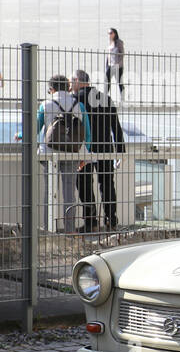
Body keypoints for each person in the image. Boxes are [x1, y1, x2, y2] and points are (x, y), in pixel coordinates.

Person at [72, 68, 125, 233]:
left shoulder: (76, 100)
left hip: (84, 149)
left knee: (84, 183)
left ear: (77, 81)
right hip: (105, 148)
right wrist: (120, 151)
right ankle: (111, 221)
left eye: (72, 82)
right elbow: (116, 127)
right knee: (107, 184)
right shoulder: (105, 98)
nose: (70, 85)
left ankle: (91, 222)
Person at [36, 75, 88, 234]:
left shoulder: (45, 105)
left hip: (50, 155)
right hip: (72, 154)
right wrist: (84, 156)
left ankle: (49, 230)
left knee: (49, 193)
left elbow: (35, 128)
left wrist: (20, 135)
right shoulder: (79, 106)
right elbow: (87, 133)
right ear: (68, 88)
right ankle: (70, 231)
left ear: (52, 89)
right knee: (69, 193)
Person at [105, 28, 125, 101]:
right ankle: (105, 97)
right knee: (107, 81)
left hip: (117, 66)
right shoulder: (110, 42)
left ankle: (122, 98)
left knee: (119, 82)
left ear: (115, 33)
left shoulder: (119, 42)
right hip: (110, 65)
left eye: (111, 33)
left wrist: (118, 64)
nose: (109, 35)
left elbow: (122, 54)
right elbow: (108, 55)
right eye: (108, 33)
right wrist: (107, 65)